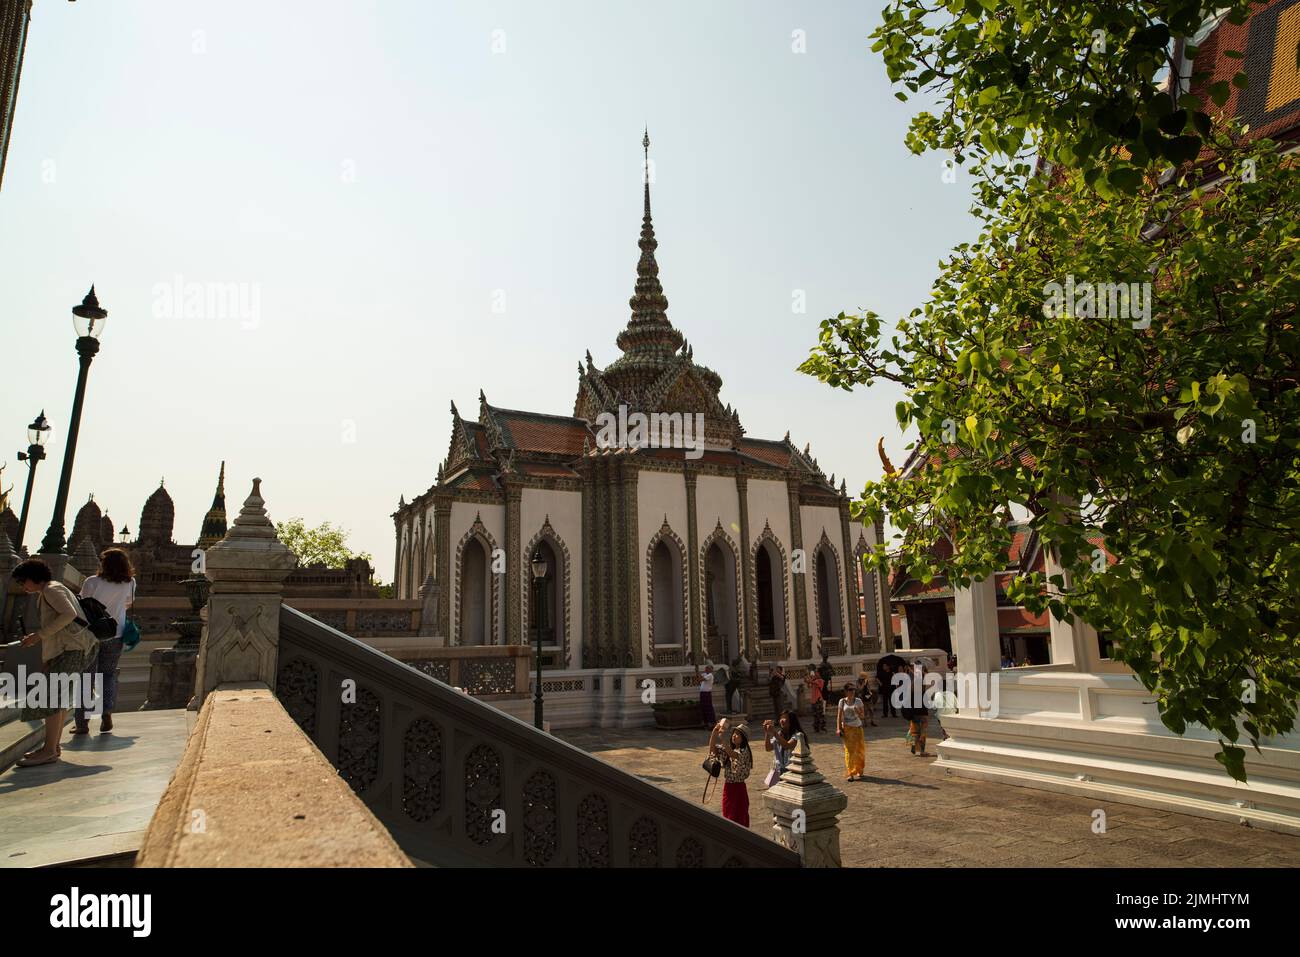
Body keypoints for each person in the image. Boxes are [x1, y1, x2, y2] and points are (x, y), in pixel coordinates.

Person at [11, 558, 98, 767]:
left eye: (23, 582)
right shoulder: (50, 590)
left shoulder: (51, 589)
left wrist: (38, 636)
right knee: (57, 698)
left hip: (73, 650)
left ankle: (49, 749)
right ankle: (52, 747)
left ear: (34, 578)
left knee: (51, 698)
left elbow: (68, 614)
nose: (22, 587)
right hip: (70, 650)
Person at [74, 548, 136, 735]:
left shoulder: (92, 582)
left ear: (104, 564)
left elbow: (82, 604)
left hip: (92, 634)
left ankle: (82, 723)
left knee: (87, 677)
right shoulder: (130, 582)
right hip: (115, 633)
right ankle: (106, 713)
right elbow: (128, 603)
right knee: (108, 675)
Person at [707, 718, 753, 826]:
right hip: (728, 787)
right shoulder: (728, 749)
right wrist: (715, 731)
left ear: (744, 739)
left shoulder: (744, 750)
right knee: (728, 816)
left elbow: (734, 755)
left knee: (740, 817)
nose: (734, 736)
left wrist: (722, 739)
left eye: (737, 734)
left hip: (739, 788)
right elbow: (712, 749)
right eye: (734, 733)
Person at [836, 681, 867, 781]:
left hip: (857, 728)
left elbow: (863, 716)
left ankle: (859, 769)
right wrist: (838, 728)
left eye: (853, 689)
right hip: (847, 728)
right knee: (849, 751)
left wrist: (858, 712)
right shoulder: (842, 701)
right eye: (850, 690)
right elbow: (839, 716)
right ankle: (850, 772)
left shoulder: (858, 701)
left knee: (859, 750)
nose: (852, 691)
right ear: (846, 691)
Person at [763, 709, 805, 781]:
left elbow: (787, 746)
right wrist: (767, 733)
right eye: (781, 718)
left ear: (791, 721)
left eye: (784, 718)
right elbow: (768, 748)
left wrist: (774, 733)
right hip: (780, 770)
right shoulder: (780, 734)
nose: (781, 720)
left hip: (793, 770)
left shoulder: (798, 735)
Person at [899, 665, 932, 756]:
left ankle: (914, 745)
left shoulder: (911, 687)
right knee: (923, 731)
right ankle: (922, 751)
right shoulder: (922, 686)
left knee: (915, 730)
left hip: (913, 711)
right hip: (922, 711)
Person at [694, 661, 717, 727]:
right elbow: (698, 676)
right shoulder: (705, 674)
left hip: (707, 694)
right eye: (706, 668)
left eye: (708, 668)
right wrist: (696, 669)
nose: (706, 669)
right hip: (703, 693)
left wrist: (698, 678)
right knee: (703, 707)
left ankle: (711, 722)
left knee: (708, 707)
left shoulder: (710, 675)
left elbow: (700, 679)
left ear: (711, 670)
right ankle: (705, 722)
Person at [804, 664, 826, 732]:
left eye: (816, 672)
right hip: (813, 700)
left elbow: (813, 682)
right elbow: (809, 685)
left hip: (818, 699)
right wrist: (807, 680)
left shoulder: (820, 680)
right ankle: (816, 727)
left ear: (819, 673)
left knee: (819, 714)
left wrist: (808, 679)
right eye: (815, 672)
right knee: (815, 715)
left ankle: (822, 727)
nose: (815, 673)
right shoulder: (815, 680)